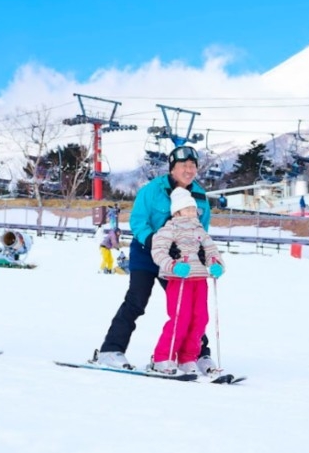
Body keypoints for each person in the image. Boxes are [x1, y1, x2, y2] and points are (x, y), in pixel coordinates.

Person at [93, 145, 218, 375]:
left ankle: (198, 354)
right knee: (136, 300)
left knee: (189, 306)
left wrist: (200, 252)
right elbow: (139, 221)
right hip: (147, 253)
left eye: (193, 166)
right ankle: (111, 350)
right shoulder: (152, 190)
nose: (189, 170)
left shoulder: (199, 197)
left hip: (179, 261)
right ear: (173, 168)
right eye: (184, 166)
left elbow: (203, 229)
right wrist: (154, 242)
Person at [148, 188, 225, 374]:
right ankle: (163, 357)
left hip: (199, 278)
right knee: (180, 318)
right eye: (188, 209)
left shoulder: (200, 231)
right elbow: (158, 251)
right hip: (180, 278)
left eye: (193, 209)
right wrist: (172, 265)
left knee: (200, 318)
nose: (192, 212)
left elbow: (211, 251)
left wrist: (216, 264)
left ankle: (187, 358)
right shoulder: (169, 229)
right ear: (177, 211)